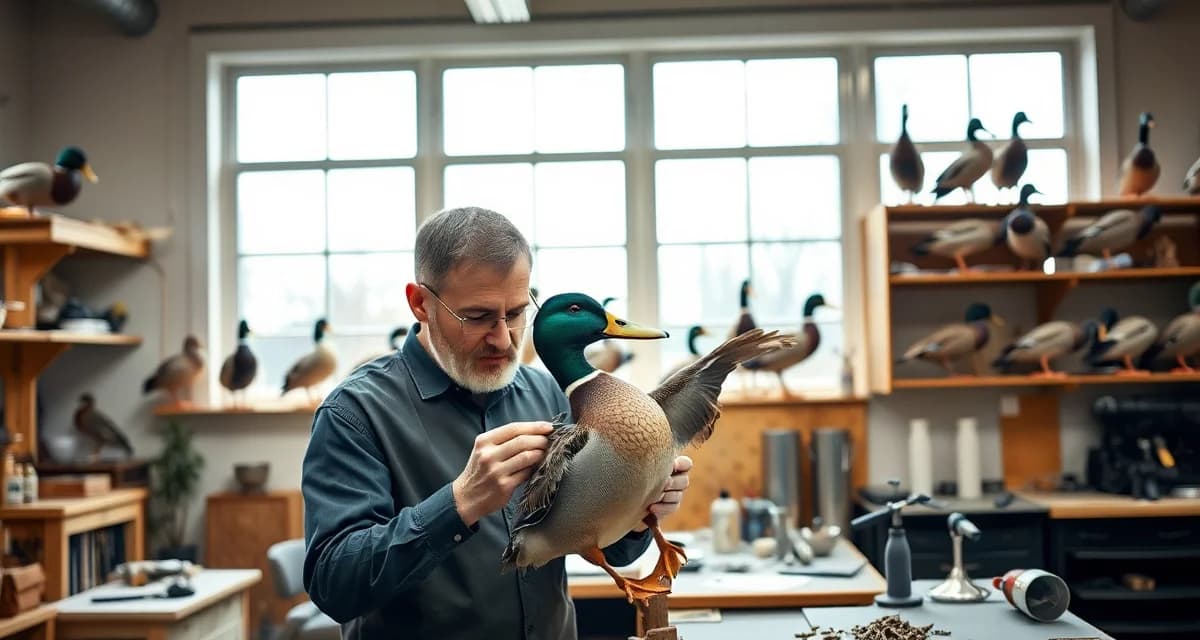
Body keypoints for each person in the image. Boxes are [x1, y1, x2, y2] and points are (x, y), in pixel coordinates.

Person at [301, 206, 693, 640]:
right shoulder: (355, 414)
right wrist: (459, 504)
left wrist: (642, 508)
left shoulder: (550, 394)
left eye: (516, 313)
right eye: (478, 316)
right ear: (420, 304)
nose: (504, 338)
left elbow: (608, 544)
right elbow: (334, 584)